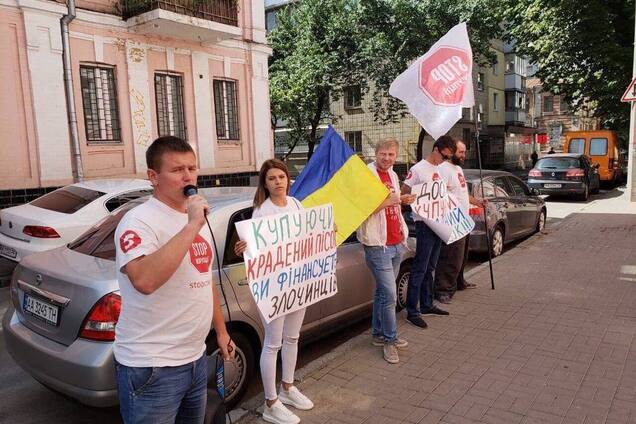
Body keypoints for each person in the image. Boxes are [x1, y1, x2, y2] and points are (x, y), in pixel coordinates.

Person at [114, 136, 235, 424]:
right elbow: (144, 280)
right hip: (153, 366)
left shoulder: (194, 219)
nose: (188, 176)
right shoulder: (139, 221)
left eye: (192, 169)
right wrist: (192, 224)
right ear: (153, 177)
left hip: (195, 358)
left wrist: (221, 331)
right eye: (177, 170)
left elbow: (204, 281)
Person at [234, 159, 313, 424]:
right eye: (272, 178)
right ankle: (270, 403)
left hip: (297, 282)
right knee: (273, 342)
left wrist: (324, 232)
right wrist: (245, 248)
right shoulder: (262, 212)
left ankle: (288, 388)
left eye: (281, 176)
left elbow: (306, 236)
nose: (278, 182)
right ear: (265, 184)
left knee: (293, 338)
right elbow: (256, 248)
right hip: (274, 288)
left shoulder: (297, 204)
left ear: (288, 179)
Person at [357, 137, 415, 364]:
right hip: (376, 244)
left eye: (391, 155)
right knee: (390, 295)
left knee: (383, 293)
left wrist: (402, 200)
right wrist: (390, 200)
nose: (387, 158)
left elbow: (394, 202)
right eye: (384, 154)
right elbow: (360, 209)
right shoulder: (366, 175)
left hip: (396, 241)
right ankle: (391, 340)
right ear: (376, 153)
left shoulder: (392, 174)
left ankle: (378, 334)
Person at [401, 135, 457, 329]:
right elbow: (403, 193)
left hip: (439, 222)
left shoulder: (440, 169)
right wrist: (413, 200)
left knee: (431, 266)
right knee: (420, 267)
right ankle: (412, 311)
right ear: (435, 149)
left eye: (448, 157)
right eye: (444, 155)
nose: (445, 159)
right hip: (424, 223)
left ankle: (426, 304)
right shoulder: (417, 169)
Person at [434, 139, 485, 303]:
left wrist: (476, 202)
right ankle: (443, 290)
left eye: (464, 152)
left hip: (464, 218)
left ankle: (459, 281)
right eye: (461, 152)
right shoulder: (443, 169)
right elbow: (440, 195)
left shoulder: (457, 169)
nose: (464, 155)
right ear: (451, 152)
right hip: (452, 220)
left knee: (462, 255)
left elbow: (461, 193)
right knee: (450, 256)